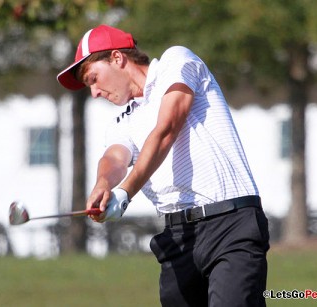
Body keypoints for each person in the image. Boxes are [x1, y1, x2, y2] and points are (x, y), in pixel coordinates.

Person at [57, 24, 270, 307]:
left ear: (117, 58)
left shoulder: (177, 61)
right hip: (178, 239)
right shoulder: (124, 120)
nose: (94, 92)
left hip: (230, 224)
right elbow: (115, 158)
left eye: (94, 78)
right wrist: (104, 184)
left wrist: (125, 192)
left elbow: (167, 128)